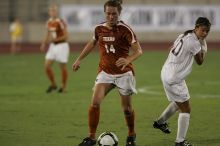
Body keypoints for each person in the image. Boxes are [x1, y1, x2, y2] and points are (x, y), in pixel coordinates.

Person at [72, 1, 142, 146]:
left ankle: (131, 134)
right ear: (104, 13)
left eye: (114, 14)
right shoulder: (99, 29)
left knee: (127, 109)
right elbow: (92, 43)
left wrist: (127, 59)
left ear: (119, 13)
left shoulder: (125, 30)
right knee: (95, 103)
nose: (111, 17)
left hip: (124, 74)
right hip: (105, 72)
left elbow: (139, 51)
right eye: (108, 13)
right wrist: (79, 59)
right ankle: (91, 137)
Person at [153, 17, 211, 146]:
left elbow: (173, 48)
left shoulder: (184, 35)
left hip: (167, 72)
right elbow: (200, 62)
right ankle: (180, 141)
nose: (205, 33)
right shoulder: (195, 43)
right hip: (175, 77)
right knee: (186, 109)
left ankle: (160, 122)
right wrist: (204, 49)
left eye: (207, 31)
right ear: (196, 28)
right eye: (203, 30)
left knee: (179, 101)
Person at [40, 5, 70, 93]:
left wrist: (55, 39)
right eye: (51, 11)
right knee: (46, 66)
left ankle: (63, 87)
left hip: (62, 46)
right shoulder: (48, 22)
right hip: (52, 46)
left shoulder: (60, 22)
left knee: (62, 67)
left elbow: (66, 36)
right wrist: (43, 43)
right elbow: (47, 34)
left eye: (54, 11)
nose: (53, 12)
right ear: (49, 12)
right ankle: (53, 84)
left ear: (57, 12)